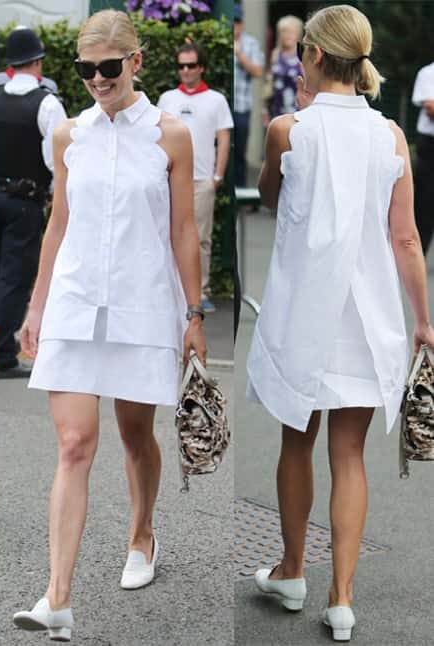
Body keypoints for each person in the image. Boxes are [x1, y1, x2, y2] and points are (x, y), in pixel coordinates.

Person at [12, 10, 207, 641]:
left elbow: (183, 231)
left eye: (108, 67)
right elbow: (58, 224)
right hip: (73, 302)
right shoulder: (69, 135)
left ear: (136, 62)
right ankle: (57, 598)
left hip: (144, 302)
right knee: (73, 446)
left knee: (133, 437)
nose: (97, 78)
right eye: (85, 68)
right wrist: (36, 307)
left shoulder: (172, 134)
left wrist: (194, 312)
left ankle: (143, 533)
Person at [245, 5, 434, 642]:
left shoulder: (287, 129)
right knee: (348, 453)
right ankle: (342, 598)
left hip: (304, 311)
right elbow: (406, 240)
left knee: (297, 442)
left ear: (316, 58)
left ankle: (293, 570)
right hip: (369, 315)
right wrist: (424, 324)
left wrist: (294, 118)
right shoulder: (391, 137)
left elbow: (271, 197)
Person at [0, 27, 67, 379]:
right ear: (38, 62)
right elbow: (59, 161)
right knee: (17, 276)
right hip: (26, 200)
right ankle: (4, 354)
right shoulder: (47, 103)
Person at [158, 41, 233, 313]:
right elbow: (157, 137)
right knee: (166, 233)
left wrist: (217, 176)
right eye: (181, 66)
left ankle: (199, 293)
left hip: (202, 180)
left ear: (201, 68)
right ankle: (171, 290)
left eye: (191, 65)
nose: (186, 71)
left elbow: (223, 139)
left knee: (201, 238)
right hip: (169, 180)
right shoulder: (167, 99)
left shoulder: (216, 100)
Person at [233, 3, 264, 187]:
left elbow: (258, 72)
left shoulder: (251, 43)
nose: (234, 26)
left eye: (237, 22)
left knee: (240, 153)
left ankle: (241, 192)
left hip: (242, 107)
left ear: (242, 24)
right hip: (225, 106)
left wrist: (239, 54)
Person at [412, 58, 434, 255]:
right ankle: (417, 256)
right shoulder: (428, 73)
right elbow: (430, 108)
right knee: (425, 203)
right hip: (430, 147)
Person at [263, 15, 303, 122]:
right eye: (284, 32)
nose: (288, 36)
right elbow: (269, 83)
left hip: (297, 110)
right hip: (276, 109)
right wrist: (265, 109)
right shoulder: (275, 54)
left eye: (292, 32)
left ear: (298, 34)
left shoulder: (303, 56)